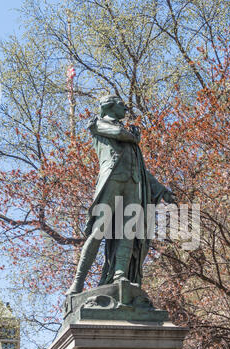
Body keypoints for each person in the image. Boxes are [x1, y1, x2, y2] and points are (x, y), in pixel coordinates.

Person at [66, 95, 174, 295]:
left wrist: (161, 190)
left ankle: (119, 276)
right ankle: (78, 282)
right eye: (122, 104)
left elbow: (142, 169)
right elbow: (116, 131)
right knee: (98, 231)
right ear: (109, 106)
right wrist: (133, 136)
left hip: (133, 184)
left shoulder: (131, 138)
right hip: (111, 181)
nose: (126, 108)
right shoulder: (97, 124)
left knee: (128, 233)